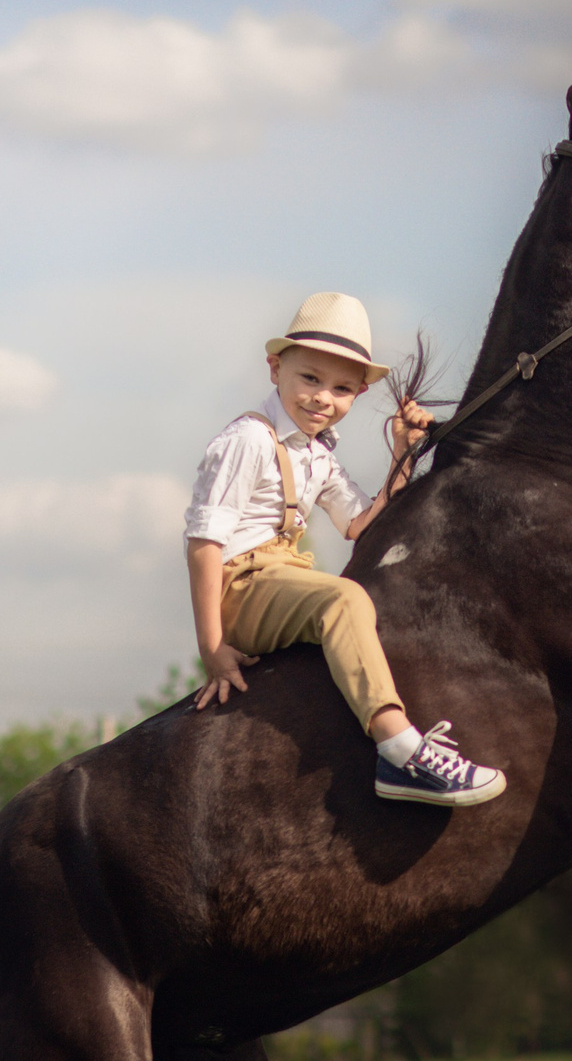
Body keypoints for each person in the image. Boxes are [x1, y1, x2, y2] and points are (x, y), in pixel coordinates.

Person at [182, 293, 505, 806]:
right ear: (275, 368)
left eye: (341, 389)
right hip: (239, 587)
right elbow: (204, 543)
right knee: (344, 598)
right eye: (310, 379)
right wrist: (212, 648)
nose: (322, 399)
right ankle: (399, 749)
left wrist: (402, 452)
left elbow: (359, 524)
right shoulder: (248, 440)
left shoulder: (317, 455)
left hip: (279, 575)